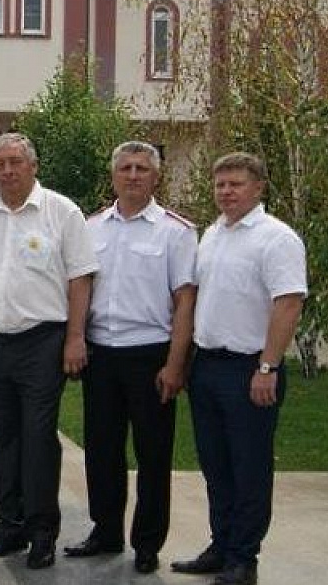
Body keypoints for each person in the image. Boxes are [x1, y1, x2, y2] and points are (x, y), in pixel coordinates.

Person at [0, 132, 98, 570]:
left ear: (33, 166)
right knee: (0, 438)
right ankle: (10, 525)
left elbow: (80, 279)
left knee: (38, 439)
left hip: (42, 342)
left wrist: (76, 337)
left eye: (15, 162)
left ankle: (41, 531)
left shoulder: (62, 212)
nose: (7, 170)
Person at [171, 153, 306, 585]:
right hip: (207, 366)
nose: (226, 192)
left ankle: (244, 558)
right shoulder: (212, 234)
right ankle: (221, 544)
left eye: (235, 184)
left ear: (258, 188)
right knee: (216, 465)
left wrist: (268, 366)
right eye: (220, 185)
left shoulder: (276, 239)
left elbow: (287, 304)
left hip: (250, 368)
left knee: (248, 468)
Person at [64, 142, 196, 574]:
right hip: (101, 354)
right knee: (101, 451)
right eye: (125, 167)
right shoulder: (91, 226)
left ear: (155, 177)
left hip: (150, 355)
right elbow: (80, 287)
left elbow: (184, 303)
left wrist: (176, 364)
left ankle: (147, 543)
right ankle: (105, 532)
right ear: (113, 174)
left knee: (153, 455)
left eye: (142, 168)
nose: (134, 175)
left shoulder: (176, 232)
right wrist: (76, 338)